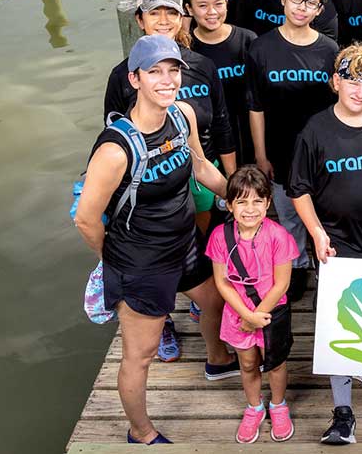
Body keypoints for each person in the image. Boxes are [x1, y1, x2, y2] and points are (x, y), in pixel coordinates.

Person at [75, 33, 235, 445]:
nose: (167, 80)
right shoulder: (115, 150)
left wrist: (235, 198)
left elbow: (200, 166)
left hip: (184, 242)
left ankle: (217, 361)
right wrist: (114, 260)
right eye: (155, 72)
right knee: (140, 355)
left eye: (173, 70)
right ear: (134, 79)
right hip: (141, 262)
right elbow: (86, 220)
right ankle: (140, 431)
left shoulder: (182, 115)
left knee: (213, 300)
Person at [288, 43, 362, 445]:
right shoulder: (315, 129)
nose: (360, 91)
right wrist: (318, 233)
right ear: (335, 82)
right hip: (336, 244)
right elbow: (299, 190)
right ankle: (343, 415)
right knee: (339, 323)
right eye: (353, 82)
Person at [104, 0, 237, 237]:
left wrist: (232, 183)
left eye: (172, 12)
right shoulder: (122, 76)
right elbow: (114, 138)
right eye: (154, 13)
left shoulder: (203, 65)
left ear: (181, 18)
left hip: (203, 170)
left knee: (203, 239)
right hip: (153, 180)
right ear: (140, 19)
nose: (163, 20)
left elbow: (222, 124)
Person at [246, 0, 339, 305]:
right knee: (288, 214)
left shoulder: (329, 50)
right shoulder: (261, 47)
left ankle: (325, 267)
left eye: (310, 2)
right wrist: (260, 153)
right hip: (281, 148)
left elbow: (339, 106)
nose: (302, 7)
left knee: (323, 212)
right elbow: (255, 106)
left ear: (319, 10)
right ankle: (298, 266)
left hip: (322, 150)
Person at [206, 166, 297, 443]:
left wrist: (256, 316)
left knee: (276, 364)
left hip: (270, 314)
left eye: (258, 201)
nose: (250, 209)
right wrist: (245, 315)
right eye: (242, 201)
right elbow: (222, 282)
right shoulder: (220, 237)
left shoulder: (278, 236)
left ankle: (278, 405)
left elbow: (281, 284)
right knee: (247, 364)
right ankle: (254, 406)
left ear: (268, 203)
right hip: (238, 315)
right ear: (230, 204)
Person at [186, 0, 256, 165]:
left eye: (218, 3)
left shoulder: (248, 40)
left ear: (226, 3)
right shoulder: (187, 50)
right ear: (189, 9)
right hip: (209, 143)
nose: (212, 12)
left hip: (248, 132)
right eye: (202, 6)